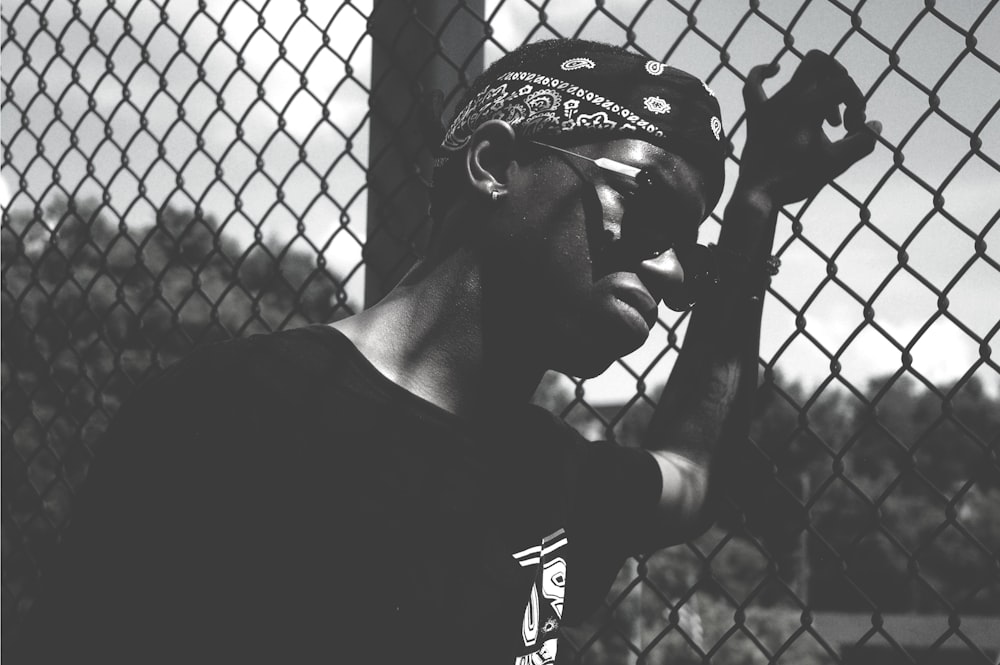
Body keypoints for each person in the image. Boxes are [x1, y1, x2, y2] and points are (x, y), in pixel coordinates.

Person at [18, 39, 880, 663]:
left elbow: (691, 470)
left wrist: (757, 207)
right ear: (496, 164)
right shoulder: (228, 419)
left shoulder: (548, 473)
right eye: (647, 207)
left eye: (690, 252)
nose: (671, 270)